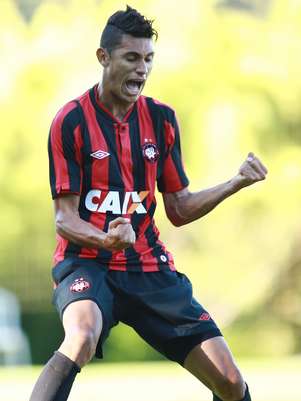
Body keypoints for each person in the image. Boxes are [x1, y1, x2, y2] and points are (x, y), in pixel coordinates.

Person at [30, 6, 267, 401]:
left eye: (149, 59)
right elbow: (64, 218)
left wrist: (235, 183)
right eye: (132, 58)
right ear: (103, 58)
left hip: (149, 267)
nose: (142, 69)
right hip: (87, 262)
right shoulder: (70, 121)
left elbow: (179, 208)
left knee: (229, 381)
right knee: (82, 335)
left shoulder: (162, 120)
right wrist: (106, 240)